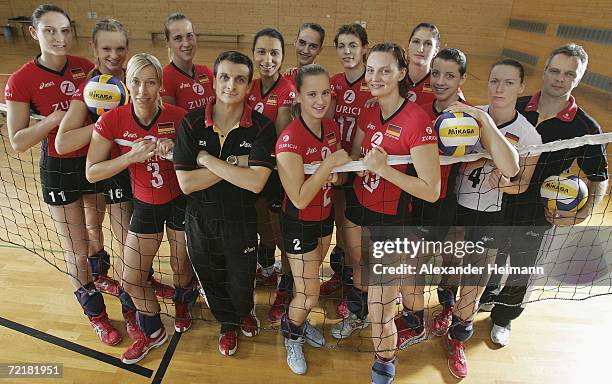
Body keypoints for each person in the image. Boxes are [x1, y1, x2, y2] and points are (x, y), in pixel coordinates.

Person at [4, 4, 121, 345]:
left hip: (92, 161)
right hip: (58, 167)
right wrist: (55, 120)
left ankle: (100, 277)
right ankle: (96, 314)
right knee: (76, 246)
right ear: (34, 33)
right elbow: (17, 141)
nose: (60, 38)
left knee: (95, 229)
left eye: (65, 30)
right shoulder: (21, 80)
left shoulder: (86, 69)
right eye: (50, 31)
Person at [484, 43, 608, 347]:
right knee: (492, 255)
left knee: (522, 265)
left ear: (578, 79)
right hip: (497, 199)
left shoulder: (586, 127)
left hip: (537, 212)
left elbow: (599, 178)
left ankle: (504, 317)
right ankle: (485, 295)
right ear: (545, 71)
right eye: (554, 70)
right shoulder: (517, 104)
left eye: (569, 74)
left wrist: (584, 211)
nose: (559, 79)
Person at [86, 53, 196, 364]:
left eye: (150, 82)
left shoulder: (179, 117)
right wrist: (129, 157)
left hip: (179, 204)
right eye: (135, 81)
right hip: (146, 205)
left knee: (180, 267)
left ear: (160, 85)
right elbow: (91, 172)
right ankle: (153, 329)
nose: (142, 89)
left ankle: (183, 307)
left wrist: (176, 153)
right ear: (126, 83)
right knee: (130, 277)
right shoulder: (112, 120)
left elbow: (198, 161)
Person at [344, 42, 441, 383]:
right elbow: (357, 154)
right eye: (370, 70)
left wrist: (384, 170)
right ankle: (363, 320)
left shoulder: (417, 120)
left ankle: (384, 362)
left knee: (381, 306)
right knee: (359, 271)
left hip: (393, 222)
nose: (375, 77)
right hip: (360, 208)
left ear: (401, 74)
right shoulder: (368, 111)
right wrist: (354, 165)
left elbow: (432, 189)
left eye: (385, 70)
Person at [428, 59, 528, 379]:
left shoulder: (524, 130)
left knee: (475, 280)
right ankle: (446, 307)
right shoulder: (464, 113)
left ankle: (458, 338)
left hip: (491, 214)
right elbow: (452, 156)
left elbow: (513, 171)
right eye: (494, 80)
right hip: (457, 204)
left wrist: (485, 126)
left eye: (508, 82)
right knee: (451, 268)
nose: (499, 88)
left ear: (521, 88)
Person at [174, 51, 276, 356]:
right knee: (210, 275)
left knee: (242, 277)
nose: (231, 85)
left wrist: (206, 160)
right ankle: (228, 324)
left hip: (241, 218)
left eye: (240, 79)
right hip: (199, 218)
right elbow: (187, 183)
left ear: (248, 87)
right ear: (214, 81)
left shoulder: (261, 127)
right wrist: (235, 165)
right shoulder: (191, 124)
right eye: (225, 77)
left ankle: (245, 311)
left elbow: (256, 182)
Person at [276, 64, 351, 375]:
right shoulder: (289, 139)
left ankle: (300, 323)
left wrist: (337, 178)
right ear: (298, 96)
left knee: (306, 287)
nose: (320, 100)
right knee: (310, 293)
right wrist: (329, 164)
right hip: (299, 221)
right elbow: (299, 197)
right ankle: (290, 334)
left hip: (324, 217)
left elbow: (341, 178)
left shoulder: (331, 128)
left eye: (325, 93)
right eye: (312, 94)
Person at [319, 23, 371, 319]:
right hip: (338, 165)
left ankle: (353, 283)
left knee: (356, 236)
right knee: (340, 221)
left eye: (353, 45)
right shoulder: (334, 82)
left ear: (365, 48)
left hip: (363, 168)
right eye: (342, 46)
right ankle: (340, 276)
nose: (347, 51)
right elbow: (324, 120)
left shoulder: (373, 81)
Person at [247, 27, 297, 321]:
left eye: (274, 53)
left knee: (283, 234)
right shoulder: (249, 87)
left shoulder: (287, 91)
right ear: (254, 54)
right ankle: (266, 269)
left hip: (277, 172)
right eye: (262, 52)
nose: (267, 59)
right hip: (254, 170)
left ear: (282, 57)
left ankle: (286, 287)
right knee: (260, 222)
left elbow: (280, 136)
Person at [160, 13, 214, 112]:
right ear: (167, 42)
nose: (186, 43)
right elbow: (171, 119)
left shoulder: (206, 72)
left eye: (189, 36)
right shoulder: (164, 78)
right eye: (178, 38)